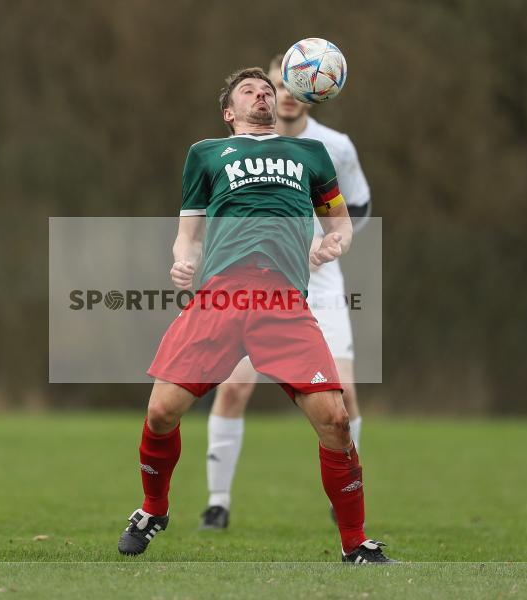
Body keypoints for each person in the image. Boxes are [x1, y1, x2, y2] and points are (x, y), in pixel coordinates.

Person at [116, 67, 393, 563]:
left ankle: (356, 543)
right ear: (229, 112)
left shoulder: (311, 154)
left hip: (284, 301)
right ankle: (153, 509)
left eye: (267, 89)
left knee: (335, 419)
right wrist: (182, 260)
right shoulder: (206, 154)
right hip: (221, 297)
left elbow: (341, 223)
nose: (263, 95)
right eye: (250, 91)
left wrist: (337, 242)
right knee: (160, 412)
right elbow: (188, 233)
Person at [200, 55, 372, 529]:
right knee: (234, 390)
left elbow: (356, 206)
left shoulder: (334, 146)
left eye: (300, 84)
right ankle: (218, 503)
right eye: (281, 83)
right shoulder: (235, 148)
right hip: (257, 281)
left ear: (321, 89)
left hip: (319, 283)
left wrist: (330, 239)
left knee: (345, 398)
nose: (289, 92)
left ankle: (349, 497)